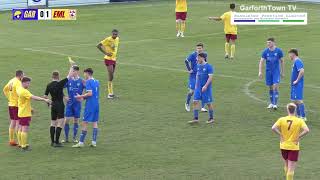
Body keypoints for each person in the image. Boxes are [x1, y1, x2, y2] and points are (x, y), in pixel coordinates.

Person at [272, 103, 310, 180]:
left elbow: (273, 128)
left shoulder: (281, 119)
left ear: (287, 110)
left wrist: (281, 135)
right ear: (295, 110)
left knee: (286, 165)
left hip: (283, 145)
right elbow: (307, 130)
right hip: (293, 146)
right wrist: (298, 136)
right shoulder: (299, 120)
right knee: (291, 169)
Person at [17, 77, 52, 151]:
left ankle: (21, 144)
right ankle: (24, 146)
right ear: (24, 82)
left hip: (21, 111)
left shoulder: (19, 89)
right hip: (25, 113)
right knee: (24, 129)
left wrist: (30, 108)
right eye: (28, 83)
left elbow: (24, 101)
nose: (29, 84)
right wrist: (44, 99)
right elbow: (34, 97)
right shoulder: (24, 91)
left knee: (20, 128)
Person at [44, 65, 75, 147]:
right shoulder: (60, 83)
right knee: (60, 123)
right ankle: (57, 142)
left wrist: (48, 104)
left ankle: (52, 142)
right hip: (60, 105)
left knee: (53, 123)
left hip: (53, 104)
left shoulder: (49, 85)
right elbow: (70, 75)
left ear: (52, 77)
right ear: (58, 77)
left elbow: (45, 96)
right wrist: (72, 67)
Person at [73, 68, 100, 148]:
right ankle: (94, 142)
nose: (84, 75)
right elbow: (94, 93)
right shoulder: (97, 81)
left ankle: (81, 142)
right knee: (95, 122)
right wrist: (83, 98)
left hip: (90, 105)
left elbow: (90, 93)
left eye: (84, 73)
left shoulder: (88, 81)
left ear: (87, 73)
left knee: (85, 122)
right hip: (96, 104)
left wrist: (80, 96)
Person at [258, 37, 284, 110]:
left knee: (275, 86)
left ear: (273, 43)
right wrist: (260, 71)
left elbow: (282, 61)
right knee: (270, 87)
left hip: (276, 71)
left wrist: (282, 72)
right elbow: (261, 61)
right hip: (268, 72)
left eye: (269, 42)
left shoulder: (279, 51)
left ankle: (275, 104)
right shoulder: (265, 51)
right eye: (267, 42)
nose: (268, 44)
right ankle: (271, 103)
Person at [188, 53, 215, 124]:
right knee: (195, 101)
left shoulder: (209, 66)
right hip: (198, 87)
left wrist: (205, 86)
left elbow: (210, 77)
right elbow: (197, 74)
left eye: (198, 58)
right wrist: (196, 84)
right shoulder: (198, 65)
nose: (197, 59)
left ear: (202, 58)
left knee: (208, 103)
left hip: (206, 88)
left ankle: (211, 118)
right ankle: (195, 118)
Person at [62, 65, 85, 143]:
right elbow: (59, 87)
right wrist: (64, 96)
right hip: (69, 103)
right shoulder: (68, 80)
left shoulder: (82, 81)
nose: (71, 73)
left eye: (72, 71)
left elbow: (89, 90)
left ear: (76, 71)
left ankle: (74, 138)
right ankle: (66, 138)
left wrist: (83, 97)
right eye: (71, 71)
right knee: (66, 120)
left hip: (77, 104)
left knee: (76, 121)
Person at [184, 43, 208, 112]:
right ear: (196, 49)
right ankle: (187, 103)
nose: (199, 49)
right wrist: (189, 69)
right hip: (193, 76)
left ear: (202, 48)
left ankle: (202, 107)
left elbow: (205, 62)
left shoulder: (204, 54)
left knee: (203, 90)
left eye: (200, 48)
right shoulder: (192, 55)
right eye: (197, 48)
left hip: (201, 75)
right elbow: (186, 61)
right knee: (191, 92)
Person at [3, 70, 24, 146]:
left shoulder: (11, 80)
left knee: (13, 122)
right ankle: (19, 142)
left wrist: (9, 98)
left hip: (10, 104)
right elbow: (20, 94)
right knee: (18, 122)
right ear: (20, 75)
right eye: (23, 75)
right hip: (16, 105)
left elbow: (4, 89)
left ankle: (11, 140)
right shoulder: (18, 83)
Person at [96, 29, 120, 99]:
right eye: (114, 34)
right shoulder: (108, 39)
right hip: (108, 59)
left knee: (111, 77)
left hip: (114, 59)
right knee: (111, 75)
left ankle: (111, 93)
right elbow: (98, 45)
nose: (115, 36)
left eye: (116, 34)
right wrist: (106, 53)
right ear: (111, 34)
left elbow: (114, 48)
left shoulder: (117, 39)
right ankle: (110, 94)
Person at [289, 49, 306, 121]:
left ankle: (303, 117)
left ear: (293, 54)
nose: (289, 56)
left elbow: (302, 71)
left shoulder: (298, 61)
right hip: (294, 84)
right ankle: (298, 116)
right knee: (295, 101)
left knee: (299, 100)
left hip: (297, 84)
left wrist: (296, 80)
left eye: (290, 54)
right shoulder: (295, 61)